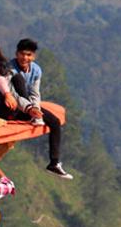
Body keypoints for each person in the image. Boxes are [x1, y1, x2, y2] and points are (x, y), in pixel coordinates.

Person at [5, 38, 72, 180]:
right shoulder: (9, 68)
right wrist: (29, 109)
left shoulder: (36, 70)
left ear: (33, 56)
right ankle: (32, 115)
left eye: (29, 55)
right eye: (22, 54)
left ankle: (54, 163)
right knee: (19, 80)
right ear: (16, 54)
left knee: (54, 122)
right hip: (11, 107)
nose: (25, 58)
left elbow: (35, 93)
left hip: (29, 106)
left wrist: (35, 109)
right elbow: (12, 95)